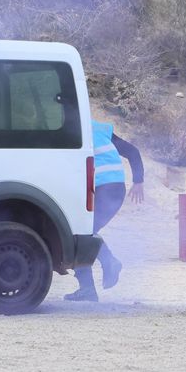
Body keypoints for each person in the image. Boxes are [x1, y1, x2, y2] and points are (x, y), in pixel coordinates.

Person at [65, 120, 144, 302]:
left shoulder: (72, 127)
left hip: (103, 189)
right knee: (84, 233)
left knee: (81, 235)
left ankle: (105, 267)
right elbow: (133, 152)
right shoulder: (99, 128)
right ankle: (93, 282)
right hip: (115, 188)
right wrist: (138, 181)